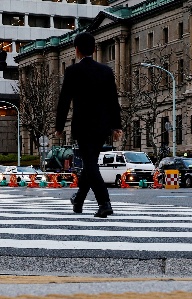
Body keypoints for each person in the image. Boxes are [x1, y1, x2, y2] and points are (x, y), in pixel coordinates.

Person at [55, 32, 123, 218]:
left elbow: (64, 100)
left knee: (90, 164)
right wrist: (117, 126)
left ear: (76, 50)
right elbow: (113, 101)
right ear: (94, 49)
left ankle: (104, 202)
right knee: (90, 163)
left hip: (83, 125)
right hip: (102, 126)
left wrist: (59, 126)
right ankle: (79, 199)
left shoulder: (72, 71)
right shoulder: (106, 71)